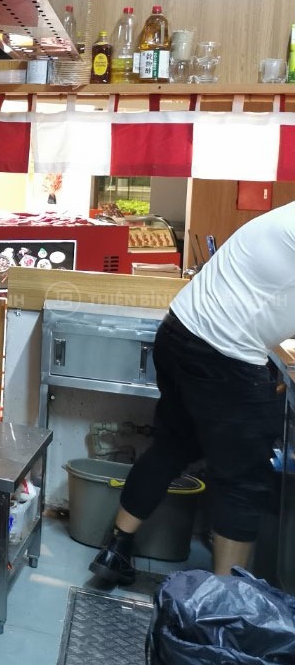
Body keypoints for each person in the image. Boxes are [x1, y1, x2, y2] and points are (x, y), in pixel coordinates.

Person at [90, 202, 295, 583]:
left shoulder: (285, 218)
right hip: (225, 354)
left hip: (179, 331)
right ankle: (223, 600)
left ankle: (116, 549)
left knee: (173, 445)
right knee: (243, 479)